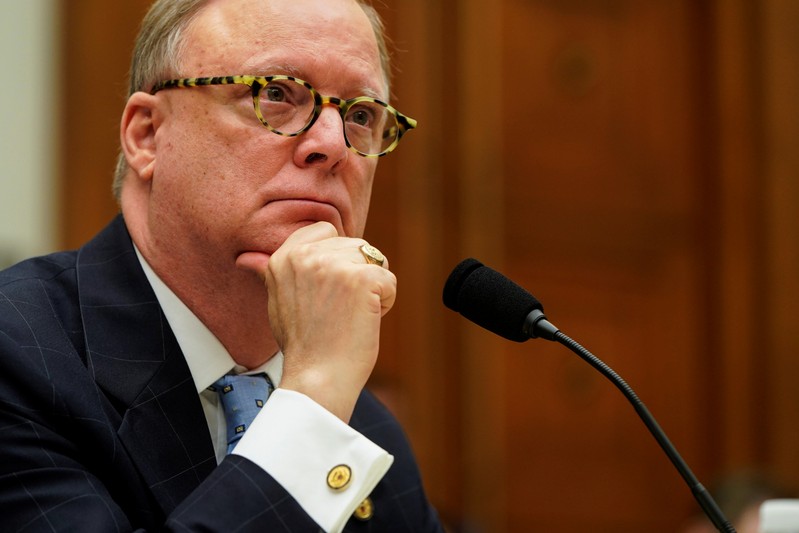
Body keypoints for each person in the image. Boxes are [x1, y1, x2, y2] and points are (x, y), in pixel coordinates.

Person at [0, 0, 443, 531]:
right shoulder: (19, 357)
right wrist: (314, 404)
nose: (333, 145)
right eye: (275, 93)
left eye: (362, 115)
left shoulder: (365, 431)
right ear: (147, 135)